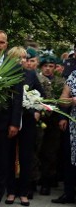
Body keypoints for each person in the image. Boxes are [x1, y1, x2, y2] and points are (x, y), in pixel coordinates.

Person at [3, 47, 44, 206]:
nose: (22, 61)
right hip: (9, 122)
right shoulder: (5, 74)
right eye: (18, 58)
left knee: (26, 156)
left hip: (27, 121)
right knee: (10, 156)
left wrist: (36, 109)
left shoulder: (31, 74)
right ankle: (11, 191)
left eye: (24, 58)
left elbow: (41, 96)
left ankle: (24, 192)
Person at [0, 31, 23, 207]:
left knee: (1, 162)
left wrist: (14, 123)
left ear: (6, 45)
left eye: (2, 42)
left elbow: (17, 98)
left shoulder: (14, 67)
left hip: (4, 122)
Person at [38, 55, 65, 195]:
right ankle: (34, 179)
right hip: (39, 118)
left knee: (51, 150)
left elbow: (63, 102)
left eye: (51, 66)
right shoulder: (36, 79)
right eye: (45, 66)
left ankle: (46, 181)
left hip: (54, 119)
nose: (48, 69)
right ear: (41, 67)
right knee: (37, 148)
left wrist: (61, 117)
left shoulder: (60, 82)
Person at [52, 71, 76, 205]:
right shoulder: (73, 75)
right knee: (70, 158)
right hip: (73, 124)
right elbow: (62, 99)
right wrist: (71, 100)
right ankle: (69, 193)